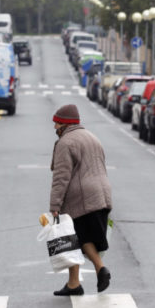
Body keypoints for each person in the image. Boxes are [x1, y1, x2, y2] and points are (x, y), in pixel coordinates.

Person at [49, 103, 112, 296]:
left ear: (65, 124)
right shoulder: (92, 137)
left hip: (82, 197)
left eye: (57, 123)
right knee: (76, 238)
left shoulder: (66, 142)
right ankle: (74, 284)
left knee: (78, 238)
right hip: (102, 194)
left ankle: (101, 268)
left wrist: (55, 205)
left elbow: (61, 177)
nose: (55, 128)